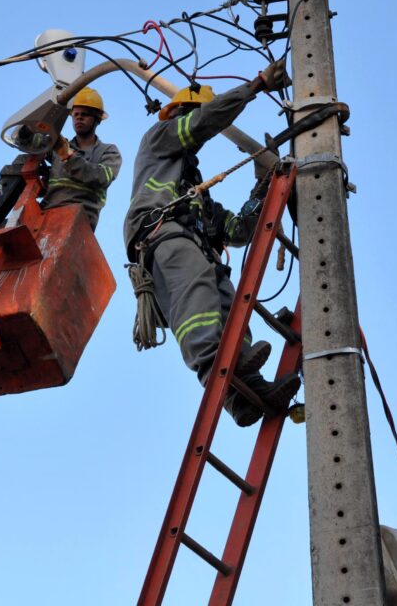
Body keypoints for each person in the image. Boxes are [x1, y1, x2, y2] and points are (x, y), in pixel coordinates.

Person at [123, 60, 299, 427]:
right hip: (161, 235)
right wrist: (256, 85)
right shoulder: (159, 139)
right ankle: (214, 360)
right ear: (181, 113)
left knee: (229, 302)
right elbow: (204, 122)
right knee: (198, 286)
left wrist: (262, 188)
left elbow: (236, 231)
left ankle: (244, 396)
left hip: (190, 243)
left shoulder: (196, 195)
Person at [41, 87, 121, 231]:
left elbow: (100, 177)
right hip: (45, 214)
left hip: (80, 220)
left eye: (85, 114)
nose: (79, 117)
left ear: (97, 119)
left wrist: (67, 155)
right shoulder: (58, 145)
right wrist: (28, 129)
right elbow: (32, 143)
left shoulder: (109, 151)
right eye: (75, 114)